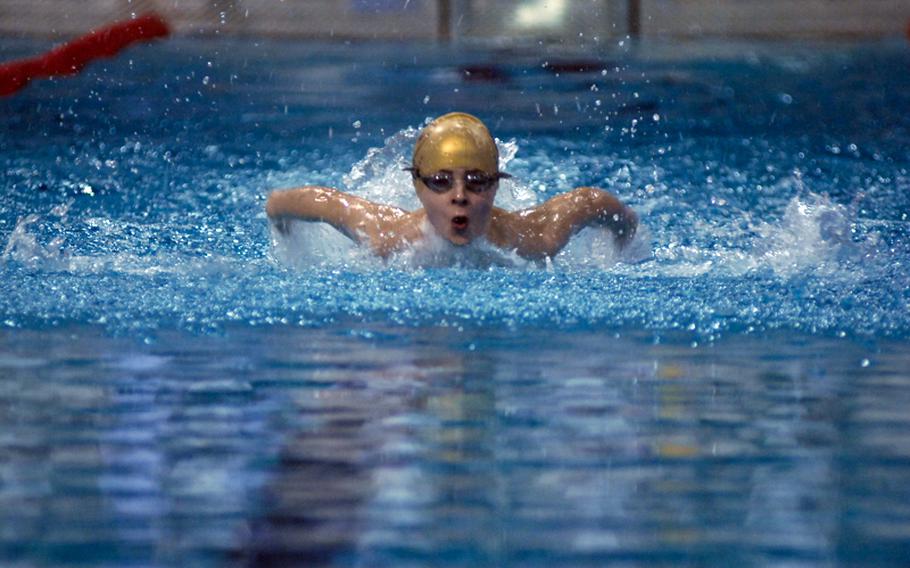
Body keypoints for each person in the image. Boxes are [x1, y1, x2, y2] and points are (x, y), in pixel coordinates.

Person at [266, 112, 638, 261]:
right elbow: (284, 202)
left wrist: (621, 252)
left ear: (495, 186)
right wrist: (288, 244)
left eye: (476, 182)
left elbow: (597, 203)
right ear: (417, 187)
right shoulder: (386, 236)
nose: (459, 195)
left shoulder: (536, 239)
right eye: (441, 182)